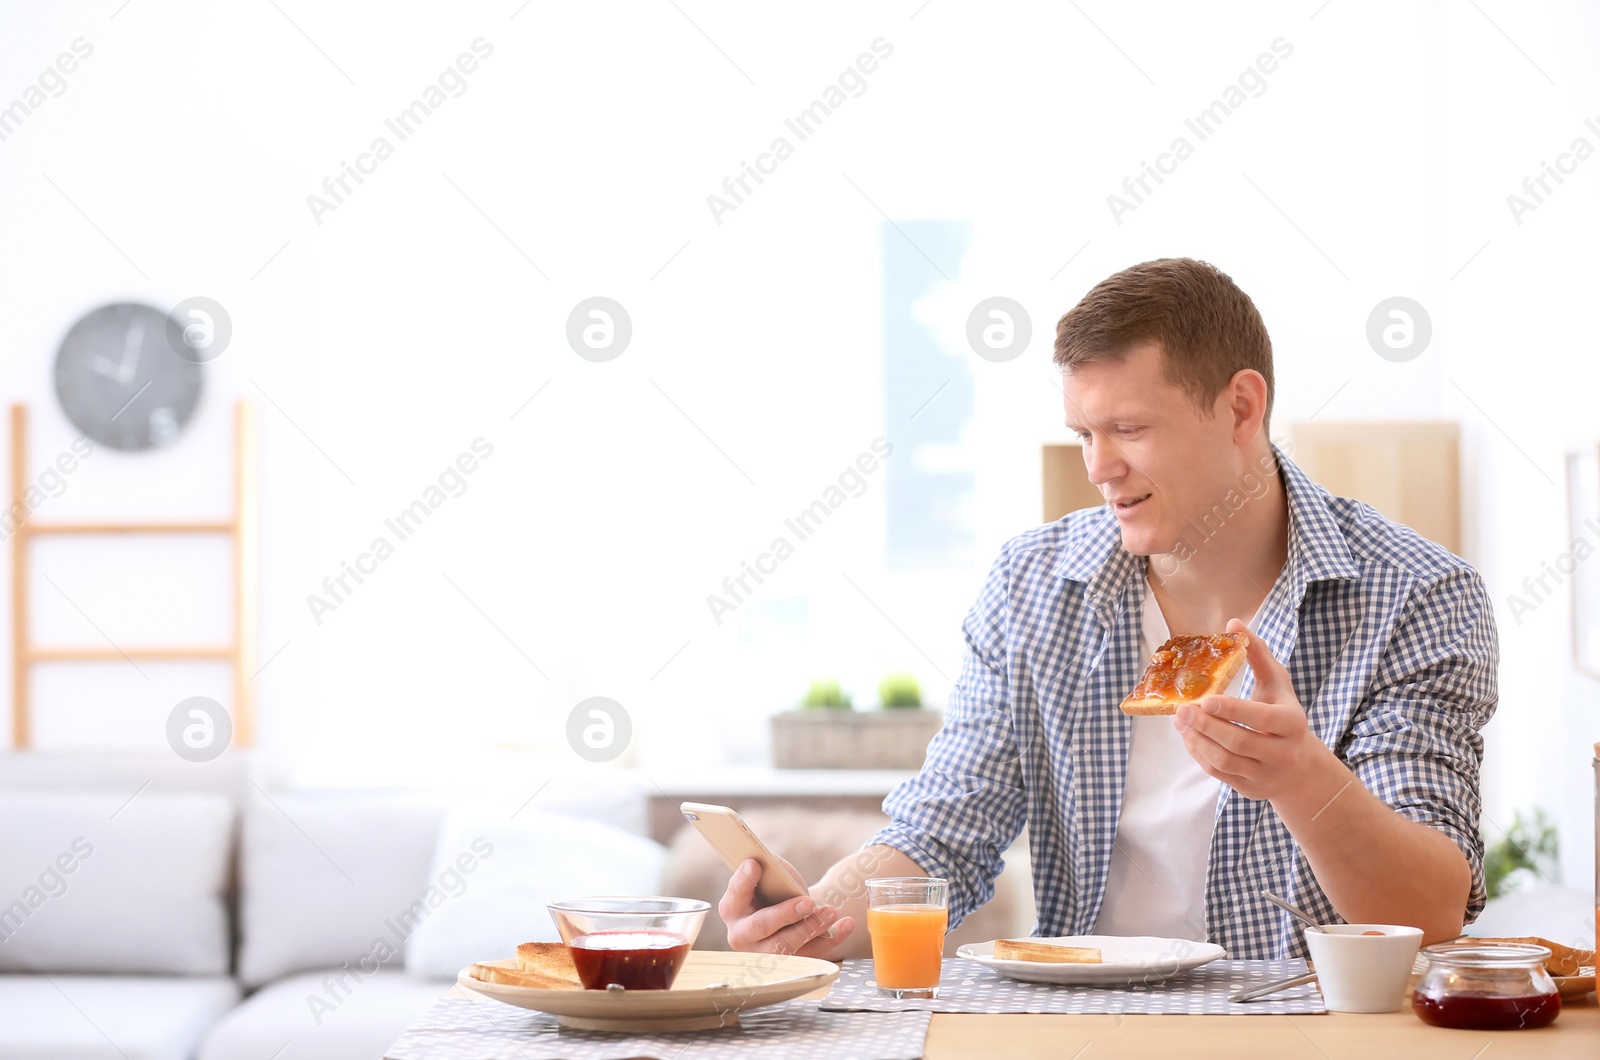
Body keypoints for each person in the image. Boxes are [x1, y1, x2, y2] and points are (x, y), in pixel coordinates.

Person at [723, 257, 1497, 961]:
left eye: (1128, 429)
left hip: (1305, 1032)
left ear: (1240, 408)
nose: (1099, 467)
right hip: (1088, 1027)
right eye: (1084, 433)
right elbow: (940, 836)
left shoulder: (1418, 596)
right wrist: (806, 922)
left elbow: (1430, 914)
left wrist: (1305, 781)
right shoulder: (1032, 586)